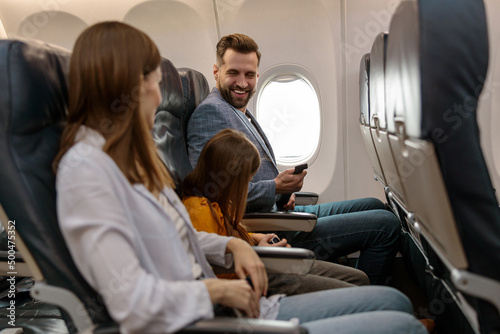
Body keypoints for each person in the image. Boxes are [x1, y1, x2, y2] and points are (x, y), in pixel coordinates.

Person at [54, 21, 427, 334]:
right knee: (401, 320)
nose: (158, 96)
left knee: (392, 300)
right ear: (125, 88)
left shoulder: (126, 160)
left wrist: (233, 246)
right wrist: (216, 292)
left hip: (224, 299)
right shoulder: (86, 173)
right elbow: (130, 302)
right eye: (153, 82)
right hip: (208, 318)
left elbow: (176, 235)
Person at [187, 33, 401, 284]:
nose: (242, 83)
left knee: (374, 205)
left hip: (280, 209)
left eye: (250, 74)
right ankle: (375, 303)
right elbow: (214, 194)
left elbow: (247, 178)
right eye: (233, 73)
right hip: (269, 226)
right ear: (216, 71)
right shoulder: (211, 113)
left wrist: (282, 193)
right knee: (384, 226)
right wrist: (275, 187)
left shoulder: (238, 111)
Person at [182, 128, 369, 296]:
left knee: (360, 279)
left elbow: (226, 237)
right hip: (256, 280)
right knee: (355, 289)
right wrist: (263, 255)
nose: (246, 188)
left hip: (262, 262)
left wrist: (256, 238)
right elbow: (219, 269)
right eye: (246, 181)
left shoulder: (222, 201)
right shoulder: (199, 212)